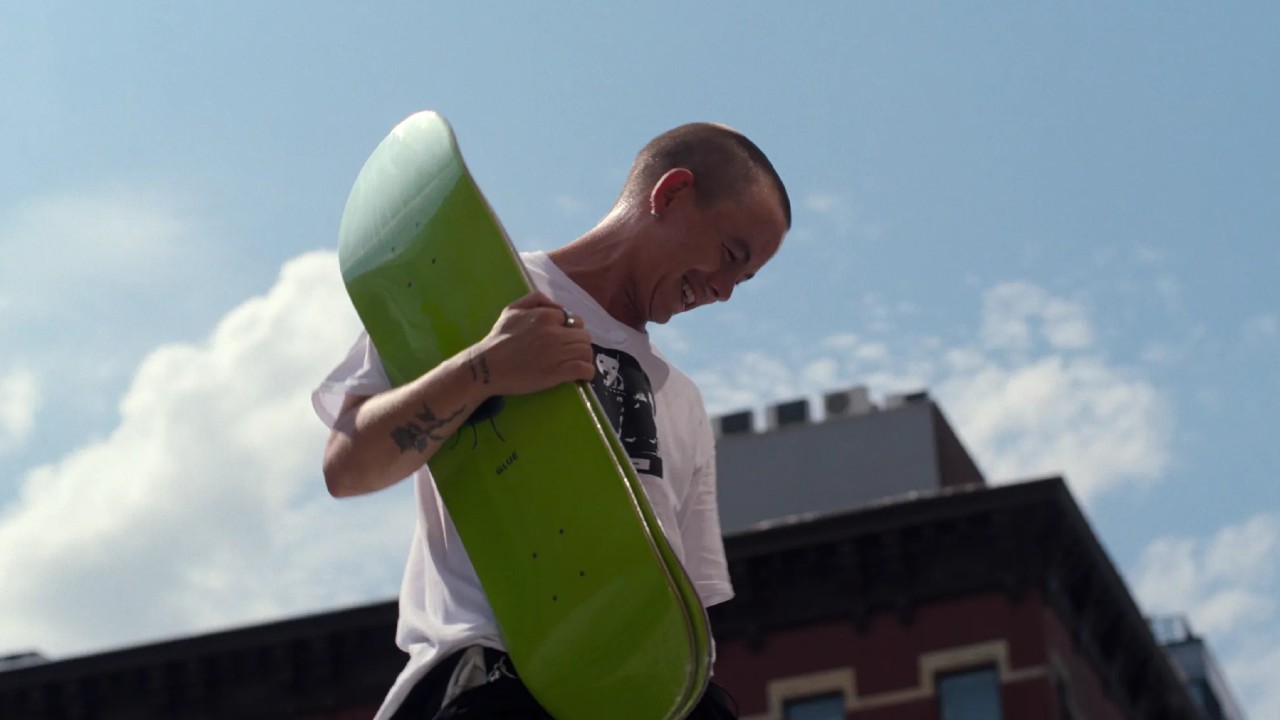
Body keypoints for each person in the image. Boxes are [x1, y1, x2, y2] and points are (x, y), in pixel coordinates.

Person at [313, 122, 791, 719]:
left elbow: (684, 617)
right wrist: (483, 369)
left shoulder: (682, 402)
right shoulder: (478, 289)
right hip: (489, 681)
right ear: (671, 193)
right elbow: (345, 466)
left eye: (741, 281)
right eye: (730, 256)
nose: (722, 291)